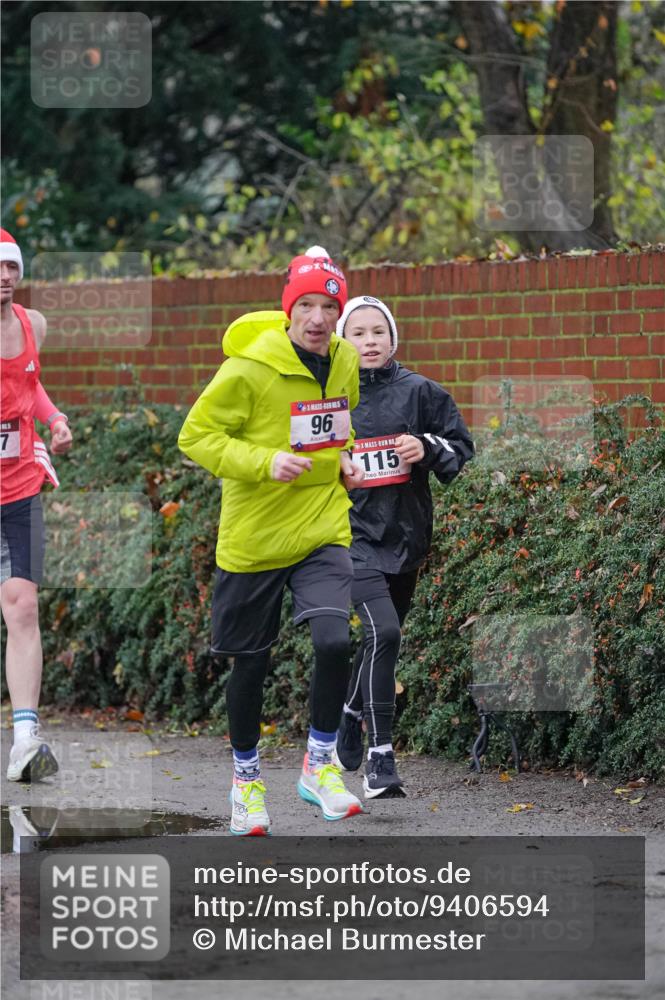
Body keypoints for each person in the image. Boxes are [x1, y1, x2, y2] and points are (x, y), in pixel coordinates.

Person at [178, 246, 366, 836]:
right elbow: (196, 436)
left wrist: (348, 461)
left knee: (336, 641)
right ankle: (246, 781)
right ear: (288, 310)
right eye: (306, 304)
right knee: (249, 667)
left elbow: (342, 426)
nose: (316, 317)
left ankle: (319, 764)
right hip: (255, 537)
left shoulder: (345, 361)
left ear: (338, 312)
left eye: (327, 306)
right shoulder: (248, 369)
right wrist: (263, 461)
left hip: (320, 524)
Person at [335, 295, 474, 798]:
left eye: (378, 332)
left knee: (379, 640)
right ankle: (381, 761)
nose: (369, 342)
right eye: (358, 332)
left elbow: (461, 447)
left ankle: (350, 713)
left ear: (393, 338)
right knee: (386, 634)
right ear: (342, 340)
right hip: (349, 538)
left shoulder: (422, 392)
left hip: (406, 536)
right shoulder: (330, 395)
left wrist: (427, 447)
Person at [1, 228, 73, 781]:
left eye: (11, 267)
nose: (4, 277)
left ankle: (25, 738)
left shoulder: (33, 325)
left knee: (23, 607)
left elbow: (32, 385)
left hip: (19, 487)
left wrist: (54, 419)